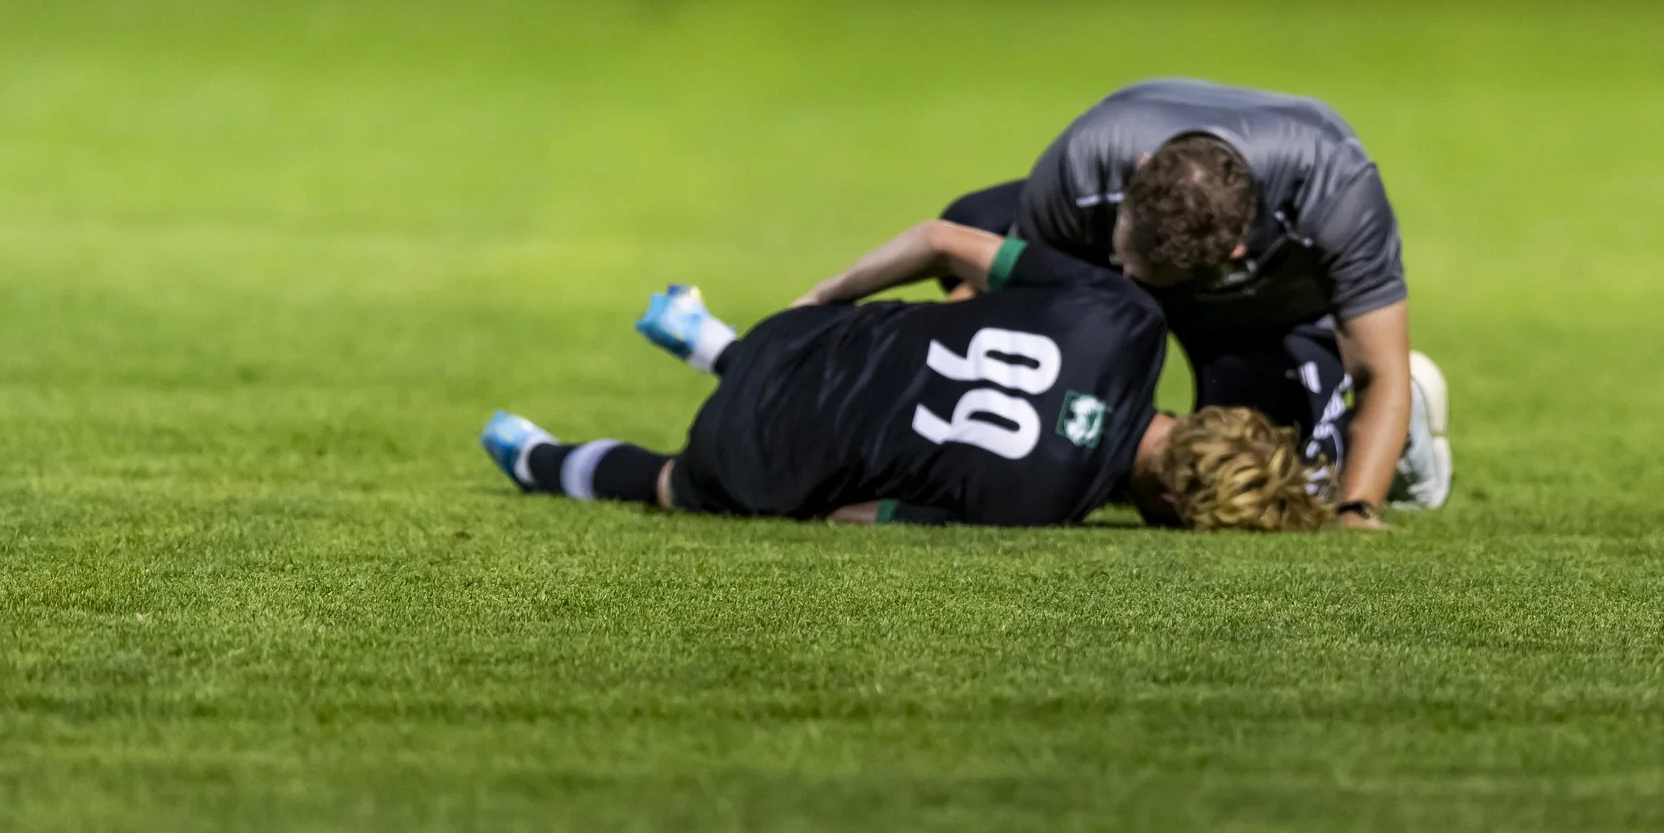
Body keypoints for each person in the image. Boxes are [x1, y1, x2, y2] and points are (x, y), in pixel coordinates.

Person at [807, 78, 1449, 533]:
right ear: (1137, 174)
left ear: (1230, 251)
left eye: (1144, 268)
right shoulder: (1086, 162)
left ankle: (1403, 438)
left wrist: (1354, 511)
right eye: (1124, 250)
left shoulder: (1338, 198)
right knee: (973, 223)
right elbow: (1029, 314)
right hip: (1104, 253)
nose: (1124, 272)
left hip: (1264, 311)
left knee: (1260, 485)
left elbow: (1379, 370)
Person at [479, 220, 1326, 532]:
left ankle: (710, 338)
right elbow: (860, 512)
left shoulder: (1129, 320)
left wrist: (824, 298)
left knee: (865, 362)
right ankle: (535, 458)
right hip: (762, 451)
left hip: (809, 336)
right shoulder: (1039, 506)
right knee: (671, 483)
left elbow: (944, 240)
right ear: (1169, 503)